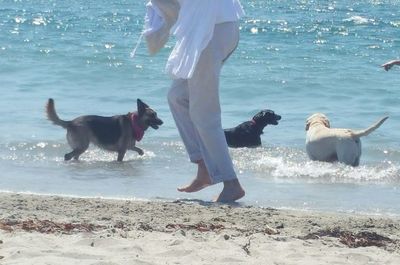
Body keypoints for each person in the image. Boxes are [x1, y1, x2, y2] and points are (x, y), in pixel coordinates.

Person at [144, 0, 245, 202]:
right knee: (177, 97)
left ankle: (231, 183)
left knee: (204, 115)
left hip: (212, 31)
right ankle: (204, 168)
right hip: (214, 29)